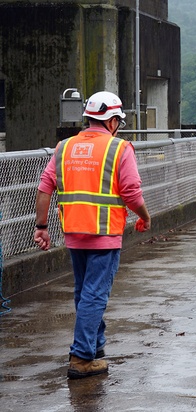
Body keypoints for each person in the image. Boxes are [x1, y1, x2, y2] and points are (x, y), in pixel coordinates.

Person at [33, 91, 152, 379]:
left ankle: (95, 348)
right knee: (94, 295)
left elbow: (44, 187)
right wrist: (145, 216)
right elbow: (131, 193)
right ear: (112, 121)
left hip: (74, 232)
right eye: (118, 122)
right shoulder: (119, 148)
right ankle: (82, 357)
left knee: (84, 292)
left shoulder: (64, 147)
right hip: (104, 233)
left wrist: (41, 227)